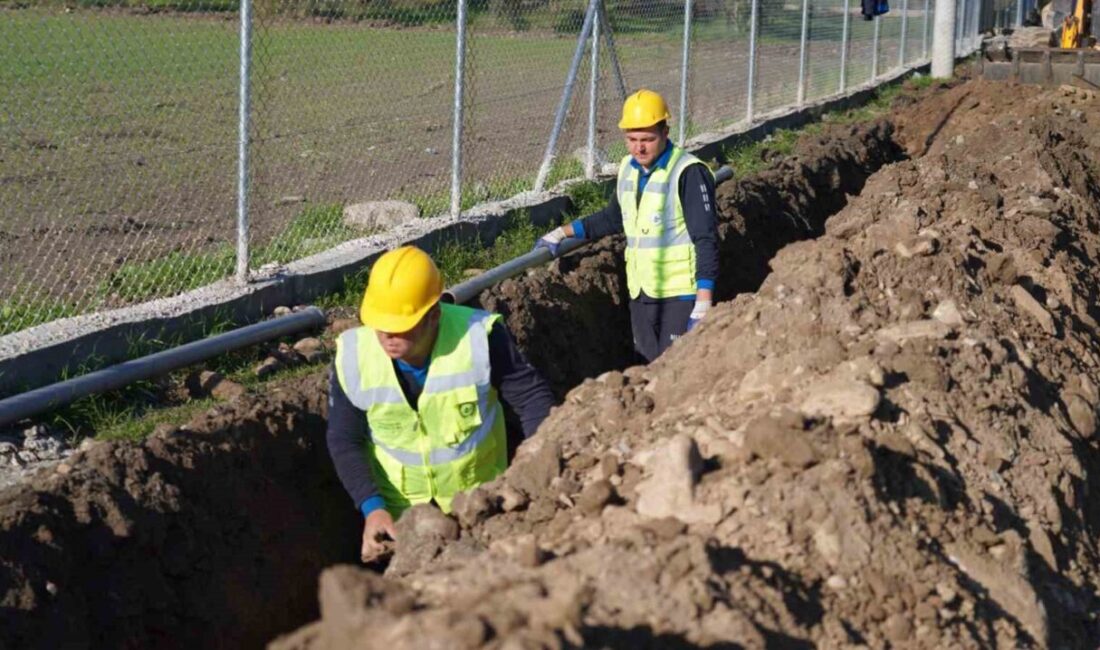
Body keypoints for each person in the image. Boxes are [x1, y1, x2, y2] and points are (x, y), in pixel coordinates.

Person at [326, 246, 554, 561]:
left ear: (434, 314)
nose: (388, 334)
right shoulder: (353, 356)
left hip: (480, 510)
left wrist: (534, 468)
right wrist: (372, 508)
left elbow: (531, 399)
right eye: (381, 323)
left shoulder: (479, 338)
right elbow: (344, 438)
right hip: (400, 525)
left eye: (401, 324)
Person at [536, 89, 719, 362]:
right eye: (632, 140)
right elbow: (613, 218)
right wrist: (562, 232)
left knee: (675, 371)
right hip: (641, 292)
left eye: (647, 139)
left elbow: (705, 238)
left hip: (681, 295)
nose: (639, 148)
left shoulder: (688, 172)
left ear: (665, 132)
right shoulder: (628, 169)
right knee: (646, 369)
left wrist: (703, 301)